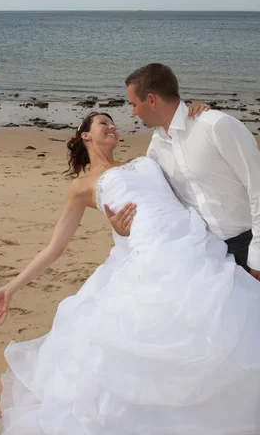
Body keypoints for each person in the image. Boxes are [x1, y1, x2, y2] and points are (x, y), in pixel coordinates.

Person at [0, 112, 260, 435]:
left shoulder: (148, 159)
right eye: (103, 123)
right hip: (150, 262)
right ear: (85, 135)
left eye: (114, 122)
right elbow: (55, 248)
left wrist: (197, 112)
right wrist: (11, 287)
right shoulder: (82, 187)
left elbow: (185, 175)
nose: (113, 126)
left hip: (195, 247)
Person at [107, 63, 260, 279]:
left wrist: (258, 256)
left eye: (133, 104)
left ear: (151, 100)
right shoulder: (155, 149)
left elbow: (257, 187)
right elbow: (160, 205)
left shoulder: (215, 125)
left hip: (250, 243)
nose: (133, 112)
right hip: (206, 255)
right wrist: (123, 228)